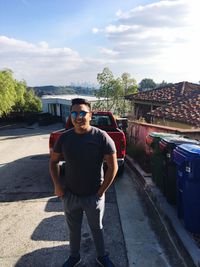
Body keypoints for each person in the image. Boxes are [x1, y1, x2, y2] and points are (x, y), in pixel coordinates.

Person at [49, 98, 118, 267]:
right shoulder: (64, 138)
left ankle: (102, 256)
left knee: (97, 228)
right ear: (70, 116)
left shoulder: (102, 137)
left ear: (90, 115)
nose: (78, 116)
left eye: (82, 113)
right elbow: (53, 162)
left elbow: (113, 167)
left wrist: (101, 192)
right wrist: (57, 185)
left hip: (93, 195)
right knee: (73, 230)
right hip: (70, 195)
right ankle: (74, 257)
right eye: (74, 113)